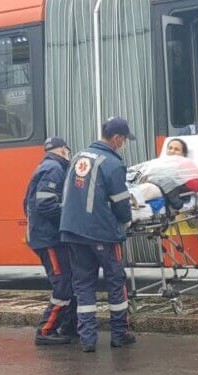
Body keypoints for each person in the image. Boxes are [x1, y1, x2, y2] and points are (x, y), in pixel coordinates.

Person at [60, 117, 136, 352]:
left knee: (83, 285)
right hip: (103, 234)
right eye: (123, 140)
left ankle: (88, 340)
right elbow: (121, 204)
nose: (123, 144)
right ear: (116, 138)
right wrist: (126, 220)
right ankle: (119, 334)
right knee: (116, 282)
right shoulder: (112, 163)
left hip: (72, 231)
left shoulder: (78, 157)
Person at [24, 136, 77, 345]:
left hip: (46, 236)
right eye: (68, 150)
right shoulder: (54, 169)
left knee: (69, 281)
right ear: (64, 150)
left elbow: (28, 203)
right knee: (63, 283)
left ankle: (68, 326)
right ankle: (46, 331)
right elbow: (46, 205)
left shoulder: (45, 167)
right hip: (50, 239)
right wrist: (71, 216)